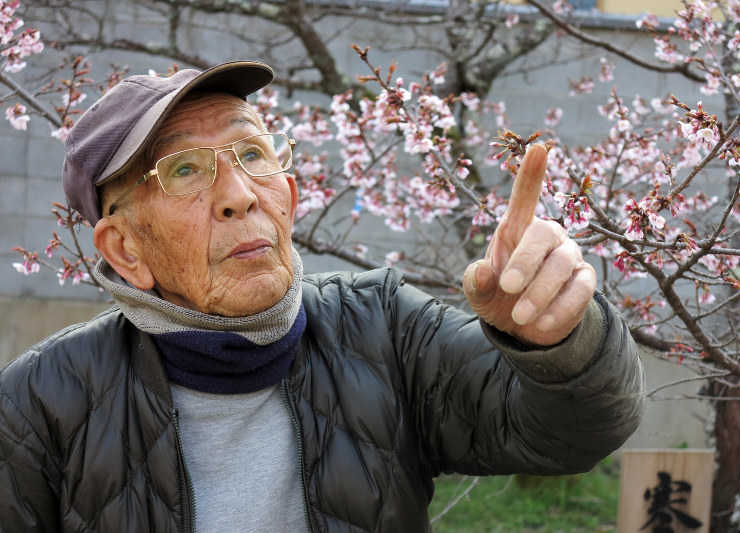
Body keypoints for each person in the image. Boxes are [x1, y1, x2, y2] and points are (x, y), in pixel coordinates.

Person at [0, 60, 645, 532]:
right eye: (185, 170)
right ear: (125, 251)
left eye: (252, 152)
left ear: (289, 193)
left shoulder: (384, 328)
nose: (239, 193)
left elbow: (573, 434)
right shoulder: (39, 405)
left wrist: (556, 339)